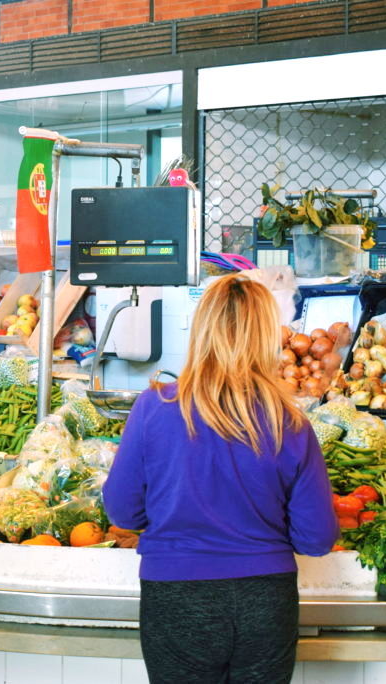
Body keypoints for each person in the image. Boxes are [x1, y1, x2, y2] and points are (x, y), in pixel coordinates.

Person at [102, 274, 338, 684]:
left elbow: (123, 510)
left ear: (201, 330)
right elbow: (316, 539)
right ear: (267, 337)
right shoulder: (291, 422)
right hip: (265, 599)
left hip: (175, 595)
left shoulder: (153, 406)